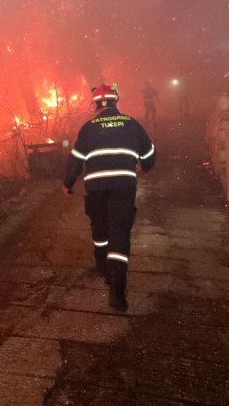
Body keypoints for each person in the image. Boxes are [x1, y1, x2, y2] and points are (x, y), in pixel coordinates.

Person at [62, 83, 156, 311]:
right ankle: (117, 292)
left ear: (96, 104)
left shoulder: (89, 128)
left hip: (96, 188)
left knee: (100, 229)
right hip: (123, 186)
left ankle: (103, 267)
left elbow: (76, 159)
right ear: (115, 101)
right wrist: (144, 165)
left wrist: (68, 183)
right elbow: (149, 155)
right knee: (120, 234)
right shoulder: (132, 124)